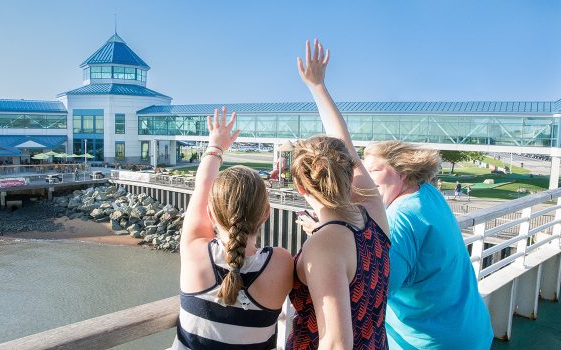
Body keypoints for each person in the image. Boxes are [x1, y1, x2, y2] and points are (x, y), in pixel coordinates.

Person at [288, 39, 390, 349]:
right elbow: (349, 149)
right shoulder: (373, 212)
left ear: (301, 188)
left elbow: (335, 343)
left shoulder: (324, 246)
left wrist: (316, 86)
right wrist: (319, 87)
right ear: (348, 173)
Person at [172, 107, 293, 349]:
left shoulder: (196, 252)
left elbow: (202, 186)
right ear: (267, 213)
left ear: (210, 213)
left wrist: (215, 146)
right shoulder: (281, 263)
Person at [363, 141, 493, 349]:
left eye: (374, 170)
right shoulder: (428, 194)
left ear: (402, 171)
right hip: (471, 329)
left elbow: (374, 293)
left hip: (429, 342)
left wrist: (334, 238)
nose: (366, 180)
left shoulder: (399, 219)